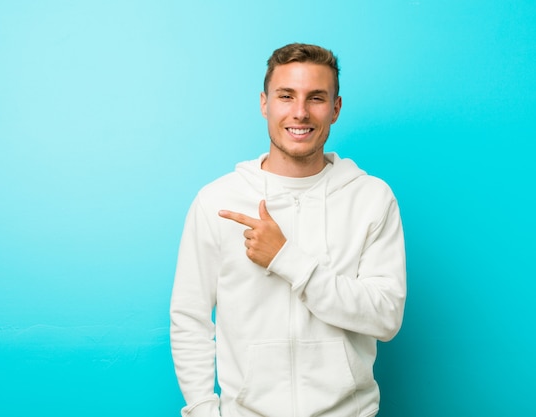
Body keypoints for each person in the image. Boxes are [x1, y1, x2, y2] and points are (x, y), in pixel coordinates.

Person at [170, 43, 406, 417]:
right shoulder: (218, 200)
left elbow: (385, 316)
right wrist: (201, 410)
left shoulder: (371, 198)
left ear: (335, 108)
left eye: (316, 98)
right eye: (286, 96)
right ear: (265, 103)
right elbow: (189, 318)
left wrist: (286, 258)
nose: (300, 112)